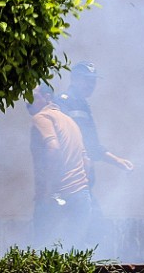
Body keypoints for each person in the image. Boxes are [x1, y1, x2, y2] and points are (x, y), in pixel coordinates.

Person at [54, 61, 134, 251]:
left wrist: (118, 161)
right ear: (74, 79)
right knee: (81, 229)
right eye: (87, 80)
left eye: (94, 81)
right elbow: (64, 144)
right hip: (71, 181)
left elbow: (93, 146)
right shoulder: (62, 102)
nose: (91, 85)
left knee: (92, 229)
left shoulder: (83, 104)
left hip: (84, 181)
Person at [26, 84, 91, 250]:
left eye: (33, 97)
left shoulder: (42, 117)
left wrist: (49, 190)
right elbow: (86, 161)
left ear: (47, 97)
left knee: (43, 251)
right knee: (74, 253)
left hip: (56, 197)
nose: (28, 102)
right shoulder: (69, 121)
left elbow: (53, 149)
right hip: (81, 196)